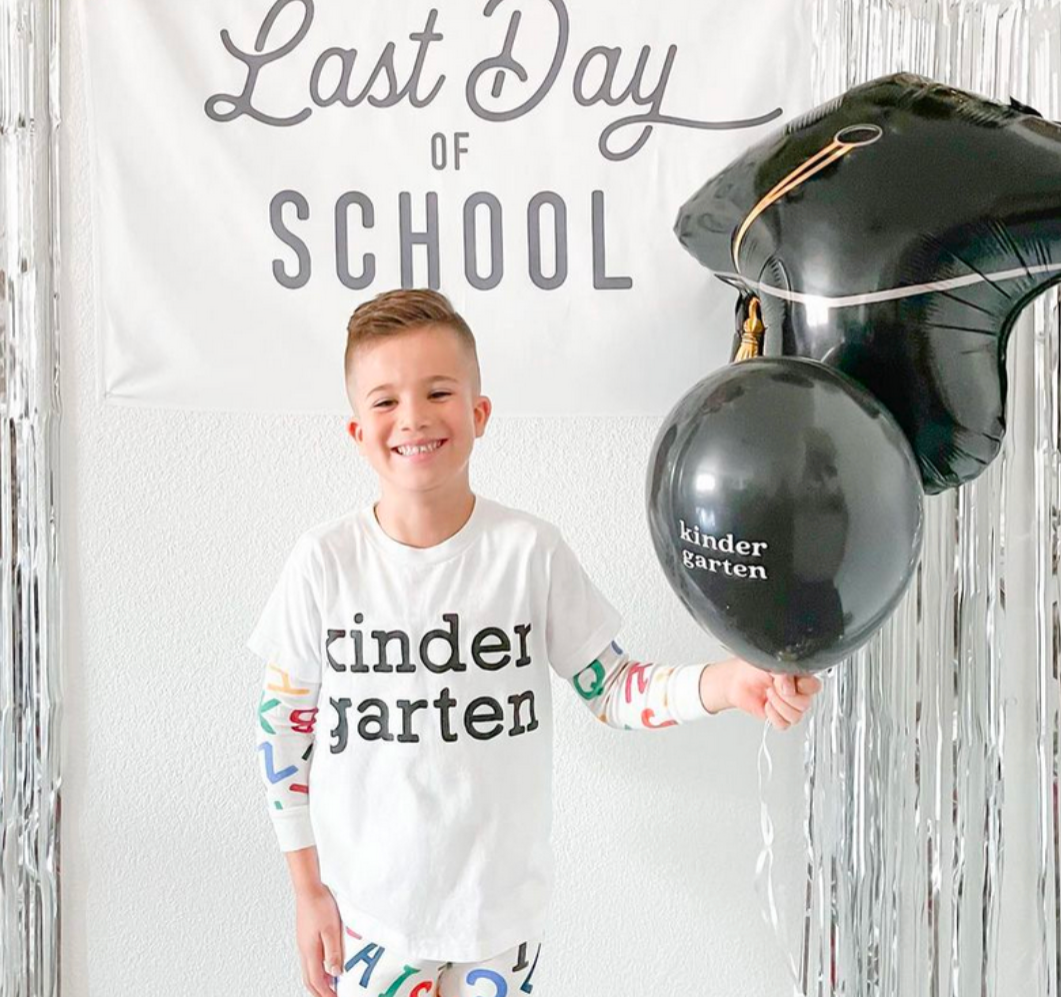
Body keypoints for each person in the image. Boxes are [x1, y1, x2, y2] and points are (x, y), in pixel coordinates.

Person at [248, 289, 821, 997]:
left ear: (479, 413)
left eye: (438, 392)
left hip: (502, 924)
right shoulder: (323, 563)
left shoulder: (530, 553)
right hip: (369, 920)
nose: (414, 417)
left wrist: (729, 683)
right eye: (386, 401)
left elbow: (613, 690)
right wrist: (306, 889)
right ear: (358, 432)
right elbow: (283, 729)